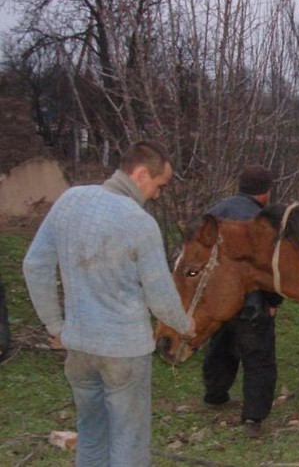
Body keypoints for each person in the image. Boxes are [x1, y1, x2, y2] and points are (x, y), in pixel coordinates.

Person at [22, 140, 196, 467]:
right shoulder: (140, 223)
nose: (158, 195)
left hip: (80, 348)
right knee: (128, 440)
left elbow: (35, 265)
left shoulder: (70, 200)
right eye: (159, 186)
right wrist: (186, 325)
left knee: (90, 434)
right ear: (141, 174)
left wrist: (55, 326)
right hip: (125, 353)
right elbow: (160, 294)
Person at [201, 165, 283, 439]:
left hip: (219, 300)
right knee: (258, 357)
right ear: (265, 193)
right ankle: (253, 418)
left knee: (221, 346)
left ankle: (215, 394)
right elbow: (270, 266)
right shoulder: (263, 220)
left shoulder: (214, 211)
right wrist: (273, 301)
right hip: (252, 301)